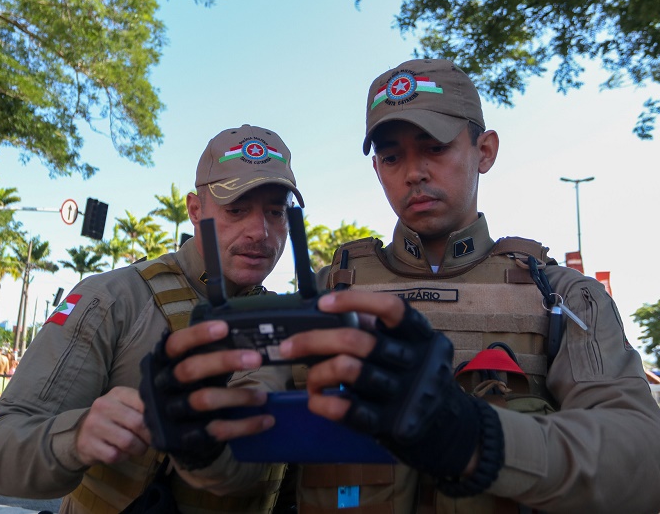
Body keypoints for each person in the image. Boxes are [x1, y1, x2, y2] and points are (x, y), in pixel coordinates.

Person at [272, 59, 660, 513]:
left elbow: (643, 460)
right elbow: (244, 460)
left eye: (434, 147)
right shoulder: (321, 297)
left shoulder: (561, 296)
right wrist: (201, 448)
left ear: (486, 150)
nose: (413, 172)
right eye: (393, 157)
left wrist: (476, 439)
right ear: (378, 169)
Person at [0, 124, 305, 513]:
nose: (260, 232)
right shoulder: (114, 299)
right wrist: (77, 437)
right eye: (235, 209)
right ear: (196, 211)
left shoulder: (294, 325)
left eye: (275, 211)